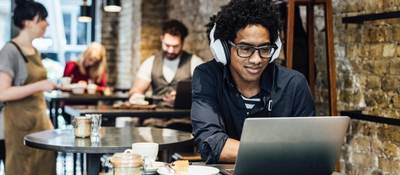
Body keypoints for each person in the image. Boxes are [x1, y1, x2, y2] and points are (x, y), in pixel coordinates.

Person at [191, 0, 315, 164]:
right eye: (245, 48)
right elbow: (211, 143)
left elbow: (308, 147)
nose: (256, 59)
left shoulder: (294, 84)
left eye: (264, 49)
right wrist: (280, 152)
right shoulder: (207, 76)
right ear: (224, 50)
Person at [0, 1, 56, 174]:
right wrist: (40, 85)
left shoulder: (35, 51)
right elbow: (2, 93)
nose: (46, 24)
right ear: (28, 22)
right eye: (42, 19)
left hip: (41, 123)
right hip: (19, 125)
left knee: (45, 167)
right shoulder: (10, 50)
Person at [129, 19, 203, 105]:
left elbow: (206, 92)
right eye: (167, 45)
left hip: (183, 116)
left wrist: (184, 97)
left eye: (175, 46)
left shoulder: (194, 62)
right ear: (162, 39)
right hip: (155, 116)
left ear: (182, 43)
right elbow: (136, 90)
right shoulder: (150, 63)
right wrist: (136, 97)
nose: (171, 50)